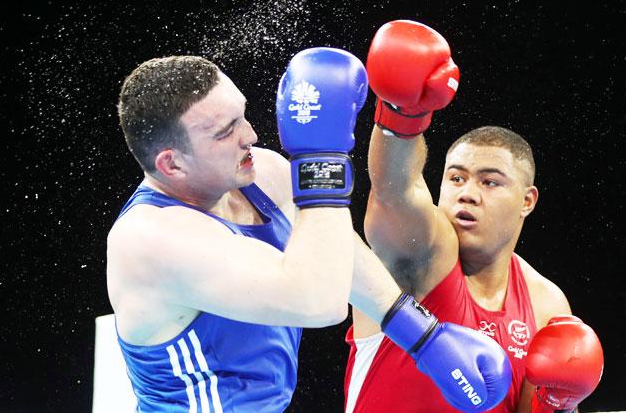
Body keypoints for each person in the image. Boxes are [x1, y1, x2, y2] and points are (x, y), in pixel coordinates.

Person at [108, 49, 512, 413]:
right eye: (224, 132)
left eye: (242, 116)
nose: (250, 135)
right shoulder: (151, 241)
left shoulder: (259, 174)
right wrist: (323, 160)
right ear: (171, 165)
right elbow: (318, 301)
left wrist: (423, 337)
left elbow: (337, 252)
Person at [344, 20, 604, 413]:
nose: (467, 192)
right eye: (456, 178)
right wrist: (403, 115)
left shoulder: (546, 303)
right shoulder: (425, 253)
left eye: (490, 182)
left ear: (527, 200)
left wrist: (559, 404)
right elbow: (394, 192)